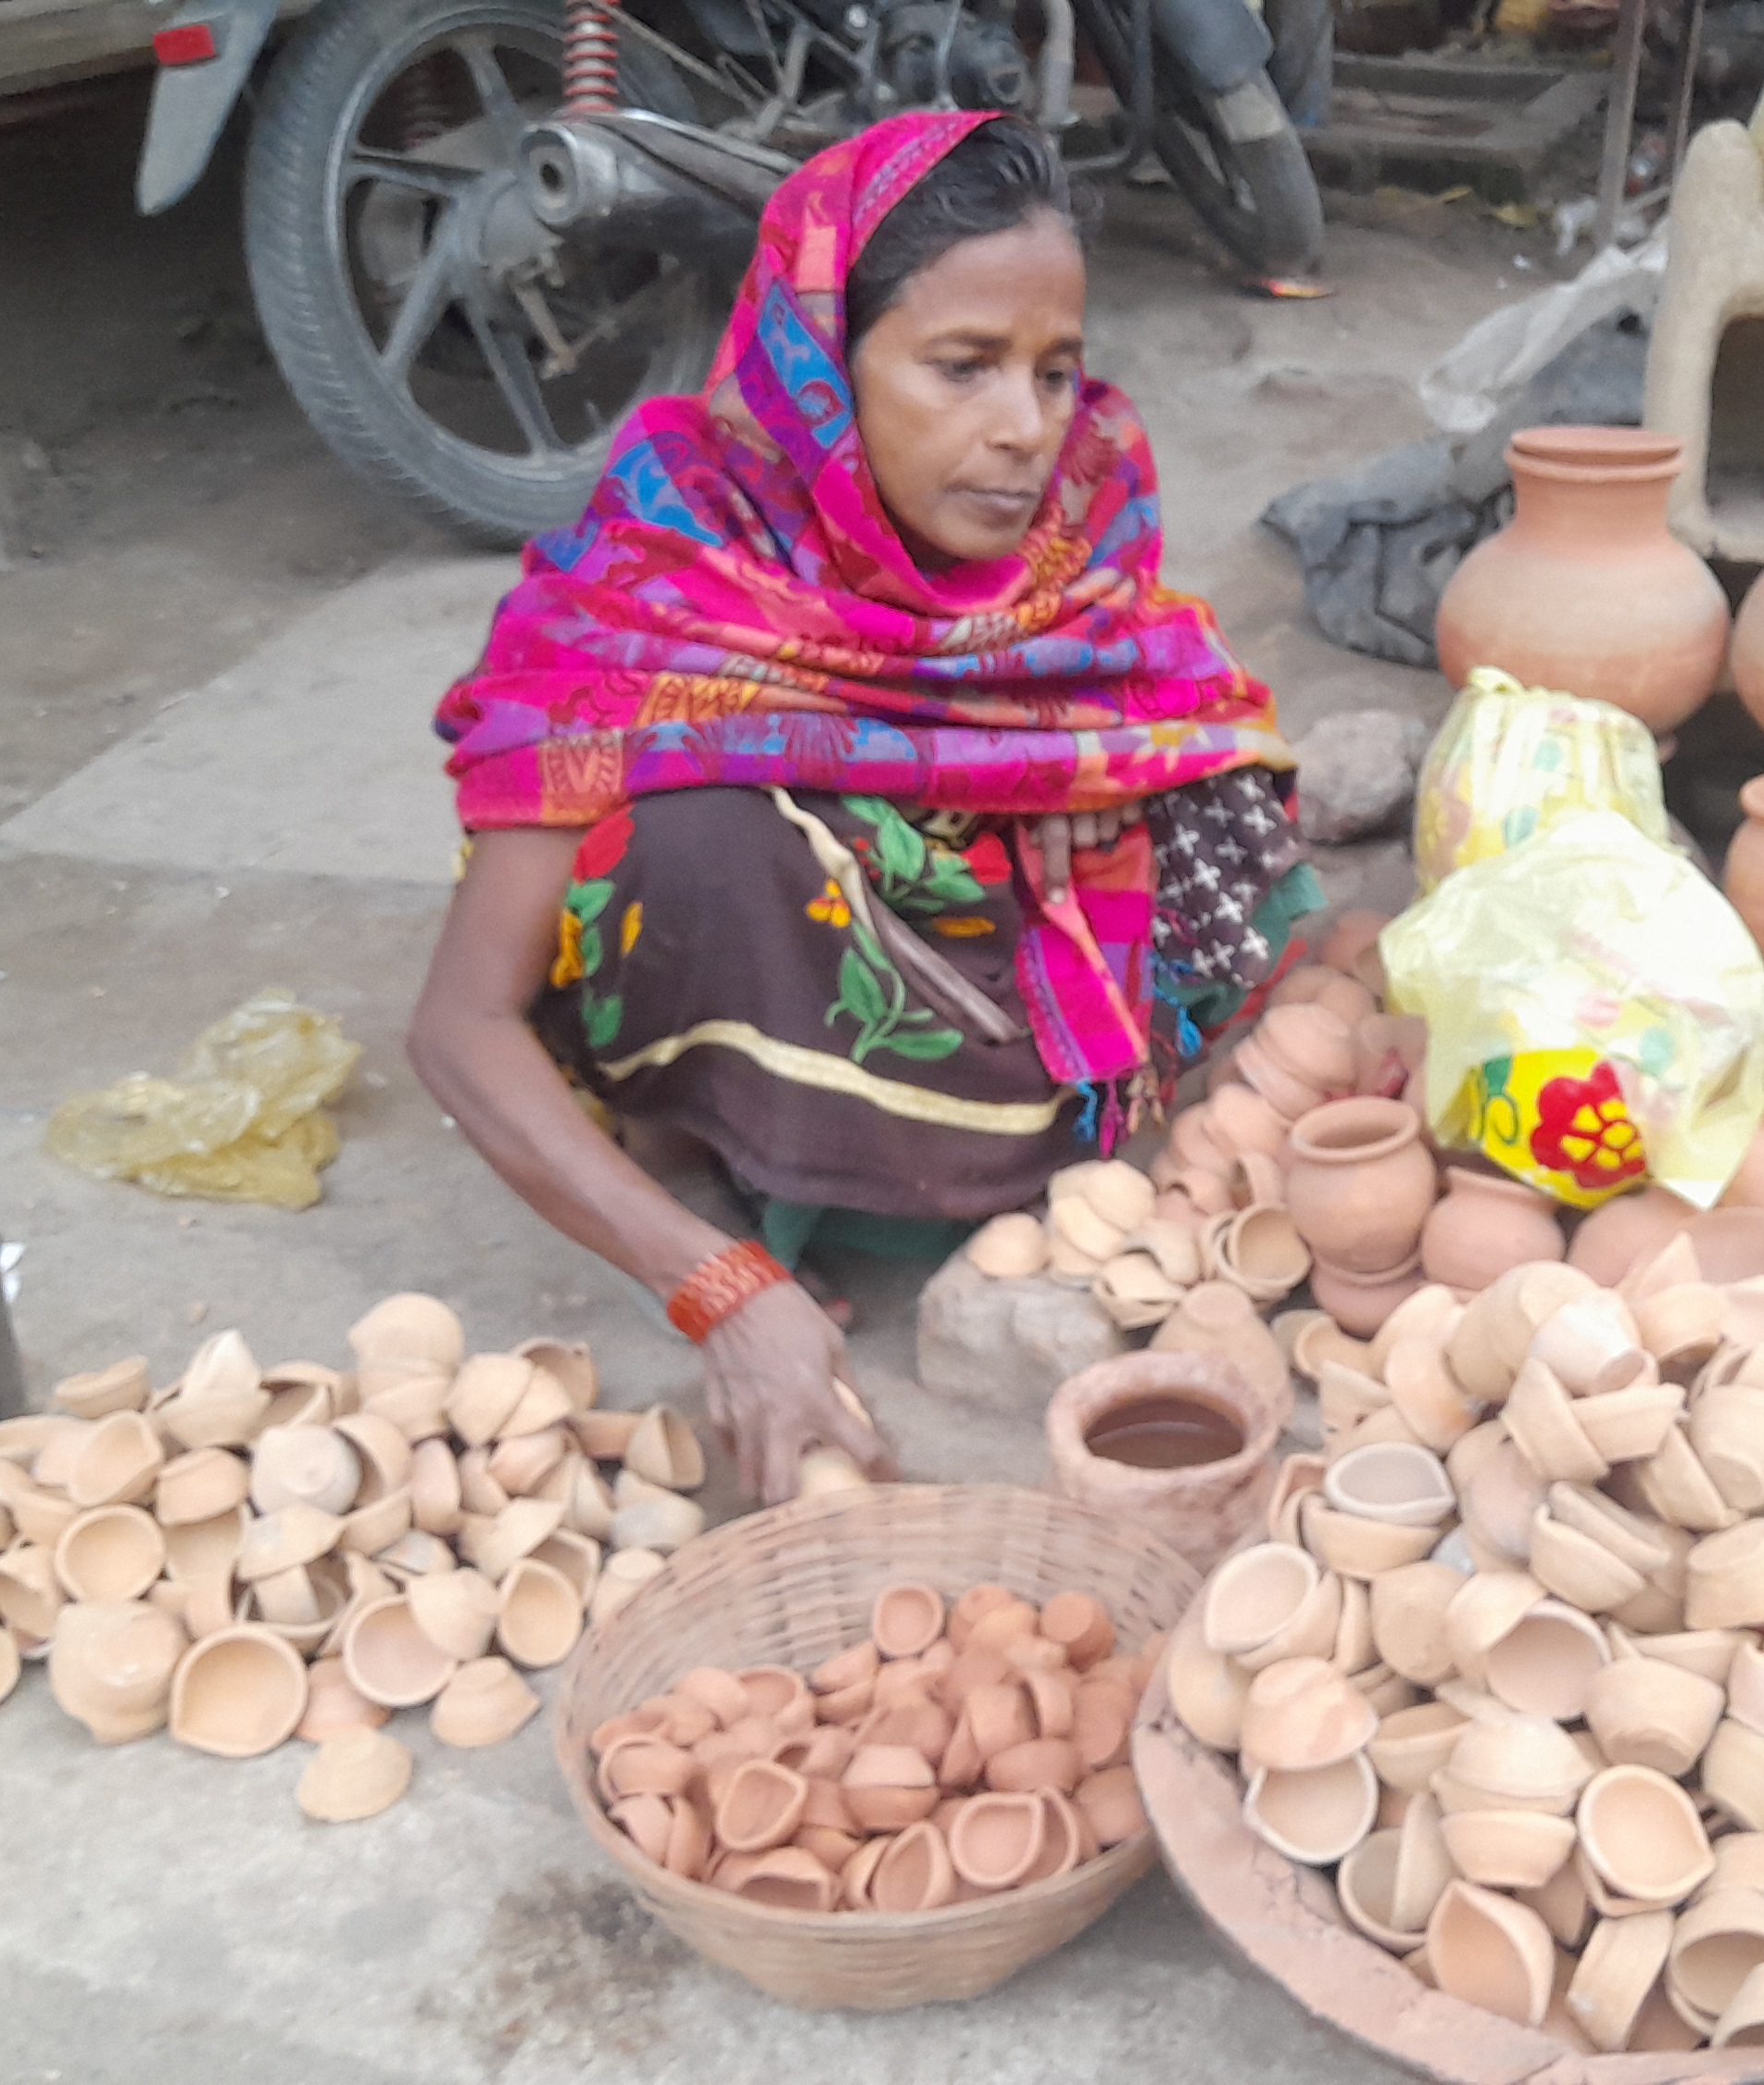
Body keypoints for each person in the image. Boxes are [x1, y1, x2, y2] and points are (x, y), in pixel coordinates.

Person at [410, 113, 1310, 1507]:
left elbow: (1186, 689)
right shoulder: (660, 573)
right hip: (766, 949)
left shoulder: (1077, 518)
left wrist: (1084, 763)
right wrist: (714, 1289)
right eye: (962, 368)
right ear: (820, 366)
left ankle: (984, 1152)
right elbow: (456, 1028)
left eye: (1053, 369)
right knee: (686, 840)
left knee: (1211, 795)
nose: (1024, 428)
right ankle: (714, 1168)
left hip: (951, 958)